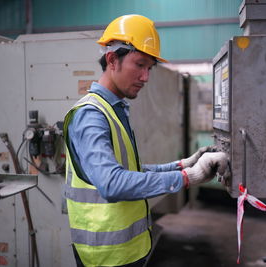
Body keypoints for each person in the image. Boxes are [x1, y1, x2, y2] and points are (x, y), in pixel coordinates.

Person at [63, 14, 229, 267]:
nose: (145, 77)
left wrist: (184, 164)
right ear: (112, 60)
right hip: (106, 258)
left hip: (125, 253)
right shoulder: (91, 115)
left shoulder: (115, 108)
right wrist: (189, 177)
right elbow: (112, 184)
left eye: (149, 68)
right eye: (139, 65)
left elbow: (129, 172)